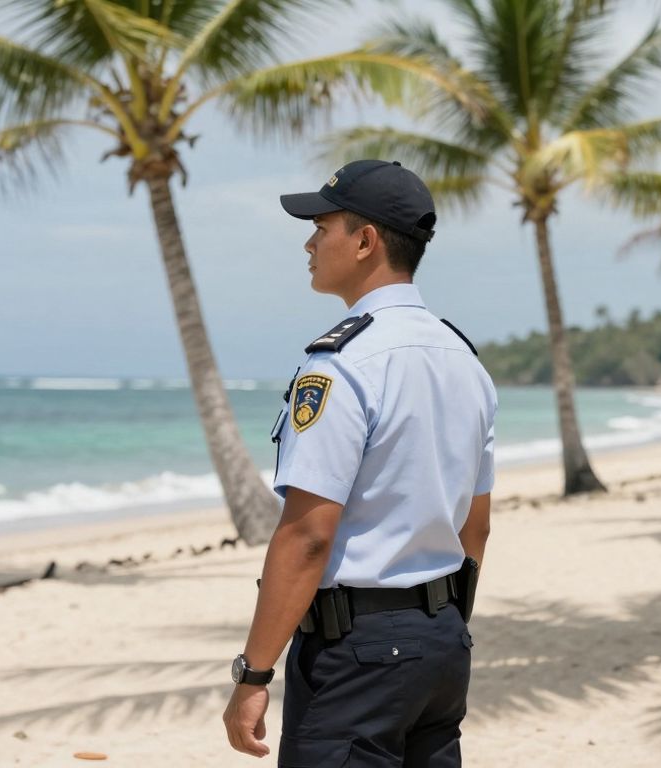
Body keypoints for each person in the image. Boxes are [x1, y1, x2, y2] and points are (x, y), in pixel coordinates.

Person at [222, 159, 497, 768]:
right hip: (442, 640)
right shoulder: (464, 361)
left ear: (366, 240)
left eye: (322, 228)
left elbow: (308, 536)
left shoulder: (342, 365)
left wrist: (254, 673)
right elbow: (475, 526)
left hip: (359, 652)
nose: (309, 243)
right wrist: (439, 624)